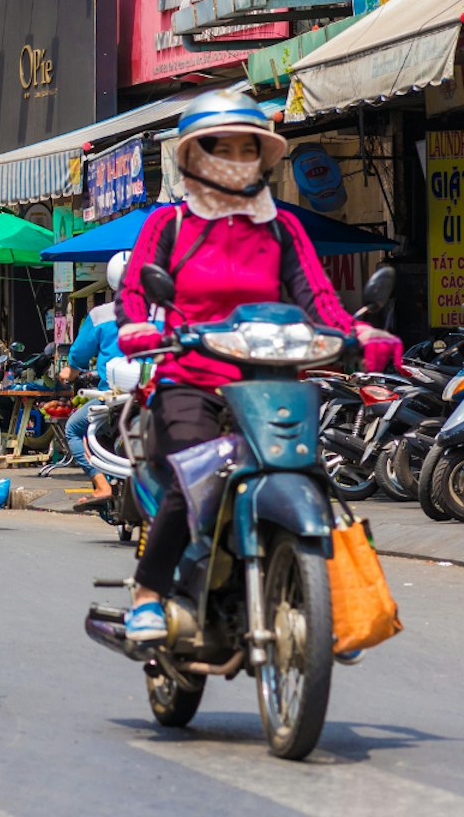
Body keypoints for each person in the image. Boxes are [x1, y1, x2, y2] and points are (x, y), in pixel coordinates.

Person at [114, 92, 396, 643]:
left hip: (269, 383)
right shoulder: (167, 224)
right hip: (189, 378)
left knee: (309, 470)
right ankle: (149, 592)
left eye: (249, 148)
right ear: (194, 157)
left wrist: (358, 333)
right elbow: (132, 292)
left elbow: (318, 299)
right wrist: (137, 327)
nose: (238, 158)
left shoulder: (282, 228)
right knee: (195, 474)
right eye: (224, 147)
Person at [62, 252, 130, 509]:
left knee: (73, 429)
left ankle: (102, 485)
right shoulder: (157, 311)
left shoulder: (101, 315)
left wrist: (71, 370)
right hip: (150, 393)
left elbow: (79, 354)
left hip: (111, 396)